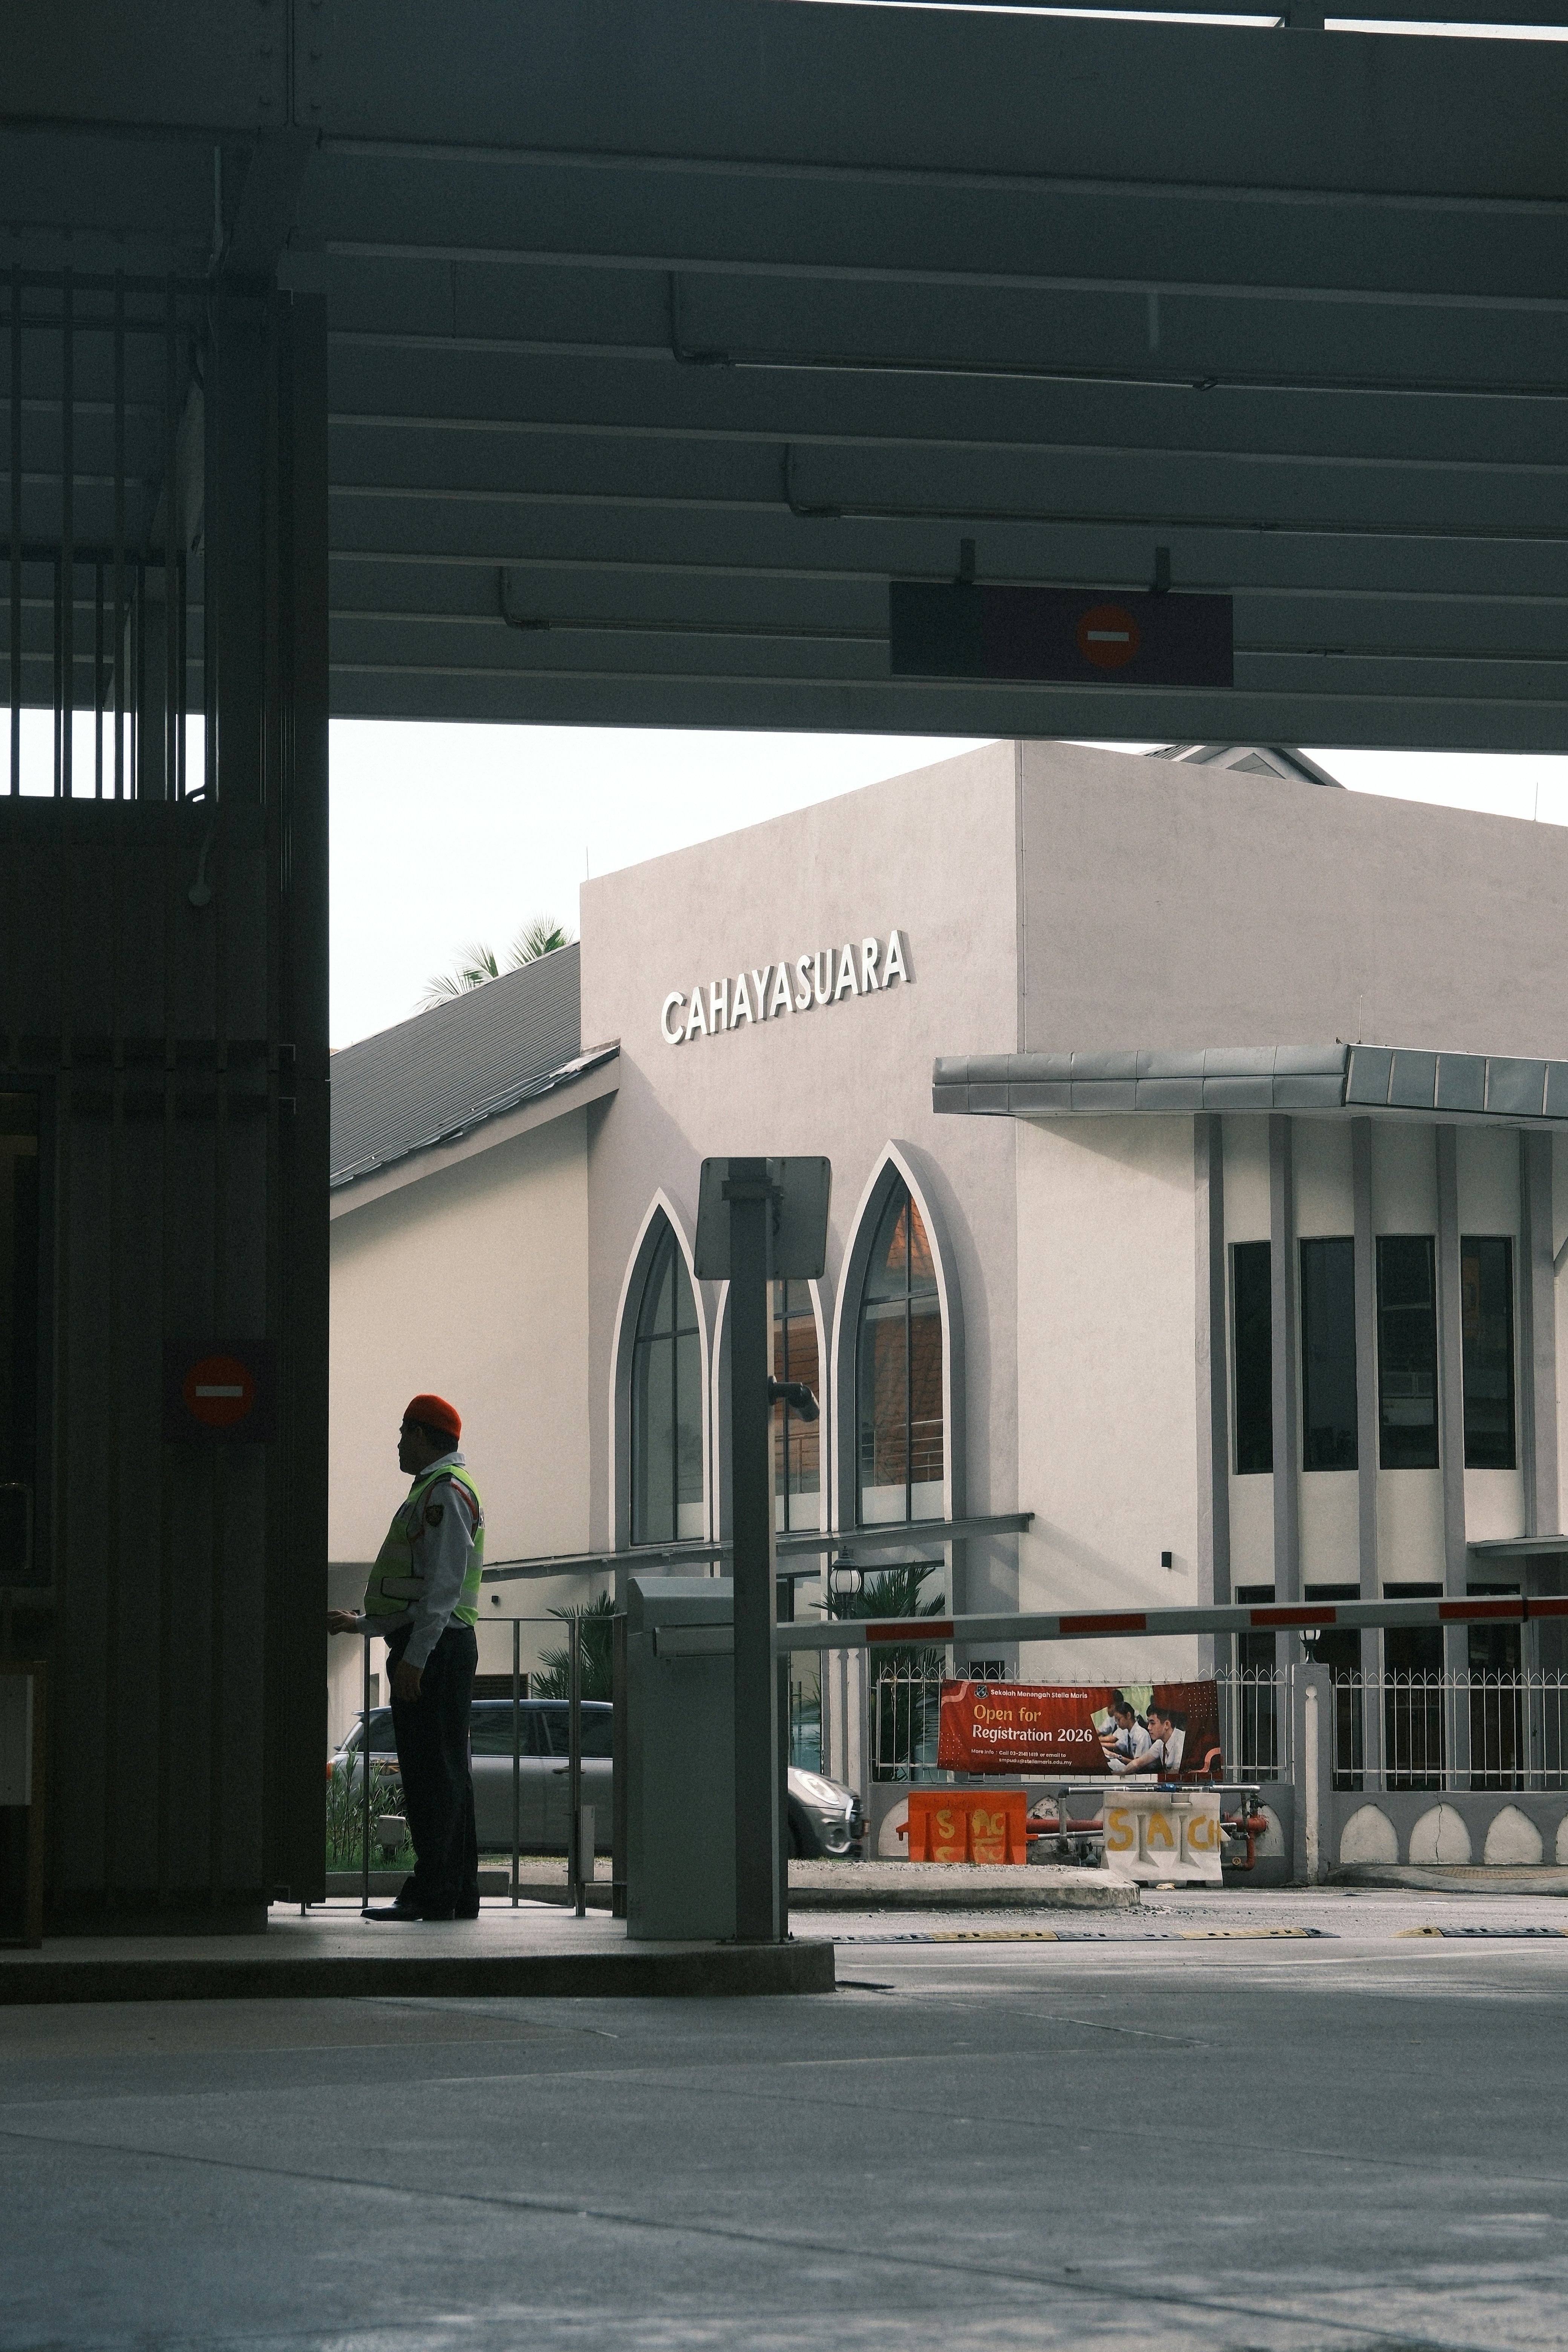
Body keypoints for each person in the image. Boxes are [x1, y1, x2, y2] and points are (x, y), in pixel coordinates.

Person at [328, 1394, 485, 1921]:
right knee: (445, 1774)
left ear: (422, 1435)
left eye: (402, 1433)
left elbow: (441, 1590)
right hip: (438, 1646)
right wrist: (364, 1624)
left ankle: (434, 1892)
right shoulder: (436, 1492)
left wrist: (416, 1660)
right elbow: (419, 1593)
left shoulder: (443, 1495)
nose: (397, 1444)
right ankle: (457, 1892)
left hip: (435, 1651)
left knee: (430, 1776)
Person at [1101, 1697, 1152, 1773]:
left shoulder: (1141, 1735)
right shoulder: (1127, 1732)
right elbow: (1118, 1745)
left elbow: (1138, 1765)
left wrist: (1117, 1756)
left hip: (1145, 1773)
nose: (1117, 1723)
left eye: (1119, 1719)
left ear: (1128, 1716)